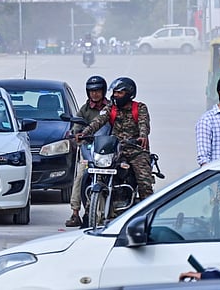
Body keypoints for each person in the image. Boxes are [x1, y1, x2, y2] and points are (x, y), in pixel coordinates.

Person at [76, 77, 154, 201]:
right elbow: (98, 121)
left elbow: (144, 125)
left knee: (144, 183)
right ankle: (91, 207)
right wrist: (84, 133)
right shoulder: (111, 108)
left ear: (129, 94)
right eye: (114, 92)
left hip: (135, 150)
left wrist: (142, 136)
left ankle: (147, 209)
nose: (115, 95)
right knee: (98, 174)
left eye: (119, 93)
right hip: (115, 150)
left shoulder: (139, 108)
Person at [66, 75, 110, 227]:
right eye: (92, 91)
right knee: (80, 176)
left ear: (103, 91)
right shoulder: (84, 109)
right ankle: (75, 213)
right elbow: (76, 127)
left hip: (106, 151)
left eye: (97, 91)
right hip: (89, 150)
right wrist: (77, 135)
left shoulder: (110, 108)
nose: (95, 94)